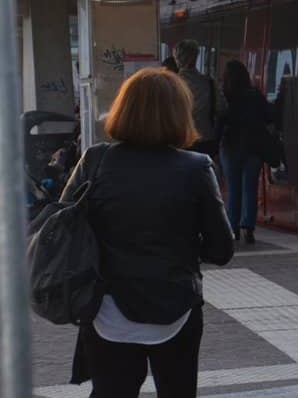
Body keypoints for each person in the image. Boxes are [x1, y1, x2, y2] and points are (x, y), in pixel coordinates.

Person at [63, 68, 234, 397]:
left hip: (107, 311)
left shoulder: (95, 161)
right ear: (180, 114)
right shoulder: (196, 167)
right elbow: (221, 250)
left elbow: (65, 229)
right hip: (176, 309)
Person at [217, 60, 273, 245]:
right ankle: (248, 228)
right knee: (250, 188)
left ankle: (233, 227)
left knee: (233, 188)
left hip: (231, 147)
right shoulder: (255, 95)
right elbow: (269, 116)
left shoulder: (226, 96)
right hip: (253, 148)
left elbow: (219, 119)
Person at [173, 39, 226, 156]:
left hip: (180, 141)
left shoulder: (171, 84)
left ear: (177, 59)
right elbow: (221, 107)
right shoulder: (209, 83)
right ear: (195, 58)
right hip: (205, 140)